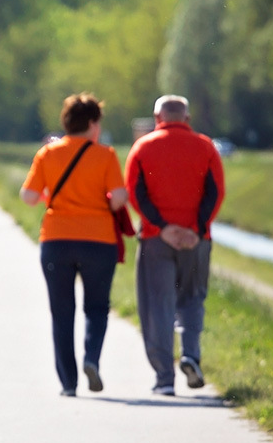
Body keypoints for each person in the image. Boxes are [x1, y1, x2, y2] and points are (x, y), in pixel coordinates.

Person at [20, 93, 128, 397]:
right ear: (93, 124)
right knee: (96, 307)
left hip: (56, 239)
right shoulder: (105, 156)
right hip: (98, 240)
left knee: (62, 311)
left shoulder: (47, 154)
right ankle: (91, 358)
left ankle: (68, 383)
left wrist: (50, 196)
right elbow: (119, 198)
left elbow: (28, 196)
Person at [124, 95, 226, 397]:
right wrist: (196, 229)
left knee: (158, 305)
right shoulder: (206, 147)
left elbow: (135, 192)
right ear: (187, 119)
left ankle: (164, 378)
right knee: (192, 299)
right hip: (196, 241)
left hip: (157, 240)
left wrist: (162, 228)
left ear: (157, 119)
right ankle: (191, 356)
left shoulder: (142, 148)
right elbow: (215, 192)